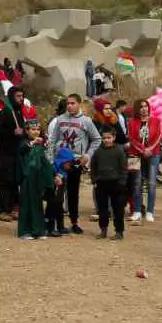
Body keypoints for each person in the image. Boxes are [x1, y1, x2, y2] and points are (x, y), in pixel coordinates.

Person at [47, 94, 98, 235]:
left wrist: (87, 156)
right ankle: (57, 224)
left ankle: (74, 223)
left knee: (73, 193)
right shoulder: (60, 120)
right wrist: (51, 159)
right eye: (68, 103)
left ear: (79, 104)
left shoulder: (86, 121)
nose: (70, 106)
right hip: (60, 161)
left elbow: (97, 139)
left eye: (73, 103)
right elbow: (52, 140)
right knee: (58, 192)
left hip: (76, 161)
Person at [0, 86, 30, 224]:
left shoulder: (19, 113)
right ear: (11, 97)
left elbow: (22, 132)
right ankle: (3, 210)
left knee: (14, 180)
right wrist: (12, 133)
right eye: (18, 96)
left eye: (22, 96)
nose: (21, 99)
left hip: (17, 153)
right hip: (6, 153)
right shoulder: (5, 112)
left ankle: (13, 208)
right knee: (6, 181)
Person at [127, 100, 162, 223]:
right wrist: (142, 150)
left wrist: (149, 149)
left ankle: (150, 211)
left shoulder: (156, 121)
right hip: (135, 154)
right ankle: (137, 210)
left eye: (146, 106)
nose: (144, 109)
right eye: (141, 107)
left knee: (152, 184)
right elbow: (131, 138)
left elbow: (158, 136)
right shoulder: (131, 122)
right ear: (137, 109)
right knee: (137, 183)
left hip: (153, 154)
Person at [90, 129, 129, 240]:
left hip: (116, 183)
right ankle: (103, 229)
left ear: (114, 138)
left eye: (109, 138)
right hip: (101, 183)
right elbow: (93, 166)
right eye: (104, 138)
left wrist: (122, 182)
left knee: (118, 209)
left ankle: (119, 231)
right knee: (102, 208)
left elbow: (124, 168)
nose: (106, 140)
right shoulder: (98, 152)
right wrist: (94, 180)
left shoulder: (119, 151)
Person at [16, 122, 51, 240]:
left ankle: (38, 230)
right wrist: (32, 143)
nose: (36, 131)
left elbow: (44, 161)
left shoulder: (41, 145)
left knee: (37, 203)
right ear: (27, 131)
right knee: (26, 204)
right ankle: (25, 230)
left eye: (38, 129)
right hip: (26, 177)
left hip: (38, 177)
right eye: (33, 129)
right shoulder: (24, 143)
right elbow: (21, 150)